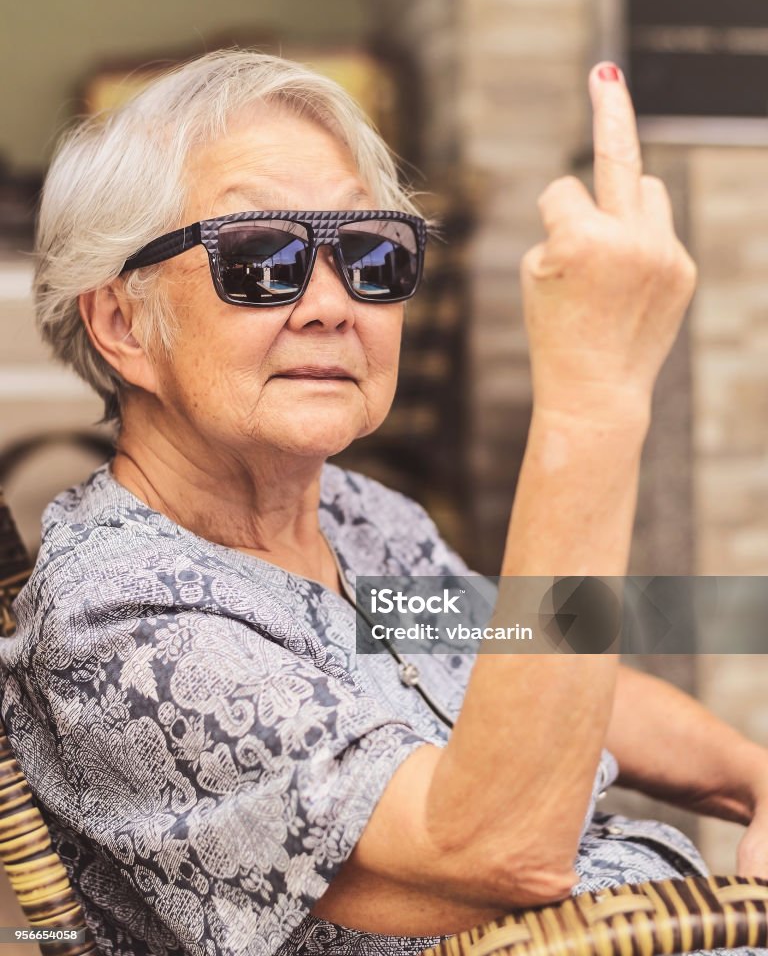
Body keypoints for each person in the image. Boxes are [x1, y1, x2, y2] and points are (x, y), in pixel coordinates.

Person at [0, 50, 766, 956]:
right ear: (122, 323)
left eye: (370, 254)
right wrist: (594, 400)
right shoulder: (120, 627)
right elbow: (491, 855)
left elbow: (536, 659)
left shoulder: (365, 518)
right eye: (258, 259)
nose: (333, 304)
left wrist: (757, 780)